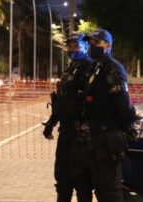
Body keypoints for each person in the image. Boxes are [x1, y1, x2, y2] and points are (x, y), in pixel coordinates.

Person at [84, 29, 136, 202]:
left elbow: (122, 103)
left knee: (110, 190)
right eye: (90, 43)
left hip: (109, 137)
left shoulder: (113, 68)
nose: (92, 47)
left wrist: (128, 124)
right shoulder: (95, 67)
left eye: (96, 43)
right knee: (99, 188)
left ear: (108, 45)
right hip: (96, 136)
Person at [42, 32, 95, 202]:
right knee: (62, 176)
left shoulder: (89, 67)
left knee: (81, 179)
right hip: (65, 131)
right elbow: (61, 100)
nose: (72, 49)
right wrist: (51, 123)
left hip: (80, 133)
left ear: (86, 46)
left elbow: (92, 102)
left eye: (76, 45)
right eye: (70, 46)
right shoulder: (70, 68)